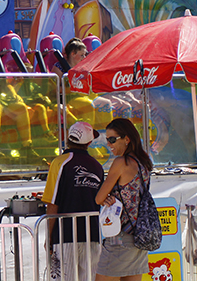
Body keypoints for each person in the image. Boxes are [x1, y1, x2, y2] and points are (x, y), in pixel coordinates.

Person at [41, 121, 104, 280]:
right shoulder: (97, 166)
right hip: (92, 235)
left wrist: (49, 236)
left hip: (65, 235)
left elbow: (53, 203)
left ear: (68, 139)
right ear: (89, 142)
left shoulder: (60, 162)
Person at [95, 118, 154, 281]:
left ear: (127, 139)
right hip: (140, 236)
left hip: (120, 236)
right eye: (107, 140)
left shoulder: (121, 162)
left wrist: (106, 198)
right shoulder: (144, 163)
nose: (109, 144)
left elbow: (99, 198)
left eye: (112, 139)